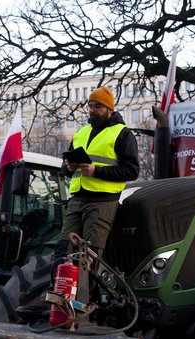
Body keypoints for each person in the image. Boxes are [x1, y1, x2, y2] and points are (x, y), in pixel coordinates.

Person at [52, 86, 139, 272]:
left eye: (97, 106)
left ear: (110, 109)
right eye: (90, 106)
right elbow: (64, 168)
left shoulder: (123, 133)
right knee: (62, 250)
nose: (92, 110)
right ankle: (59, 296)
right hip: (77, 199)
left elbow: (131, 171)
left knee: (88, 256)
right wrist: (67, 167)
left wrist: (96, 171)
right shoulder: (81, 133)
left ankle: (87, 298)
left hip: (102, 201)